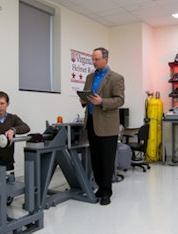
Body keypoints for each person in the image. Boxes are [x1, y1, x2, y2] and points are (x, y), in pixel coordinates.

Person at [80, 47, 125, 206]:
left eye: (96, 59)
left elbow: (120, 100)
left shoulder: (116, 78)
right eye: (92, 59)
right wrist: (84, 101)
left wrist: (102, 102)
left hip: (107, 125)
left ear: (106, 59)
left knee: (106, 159)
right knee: (96, 159)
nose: (94, 62)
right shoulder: (90, 77)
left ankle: (107, 192)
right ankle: (100, 187)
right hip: (92, 122)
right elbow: (86, 95)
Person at [0, 91, 30, 172]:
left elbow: (26, 127)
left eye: (2, 103)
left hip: (7, 161)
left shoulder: (13, 118)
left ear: (7, 104)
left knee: (10, 184)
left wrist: (13, 130)